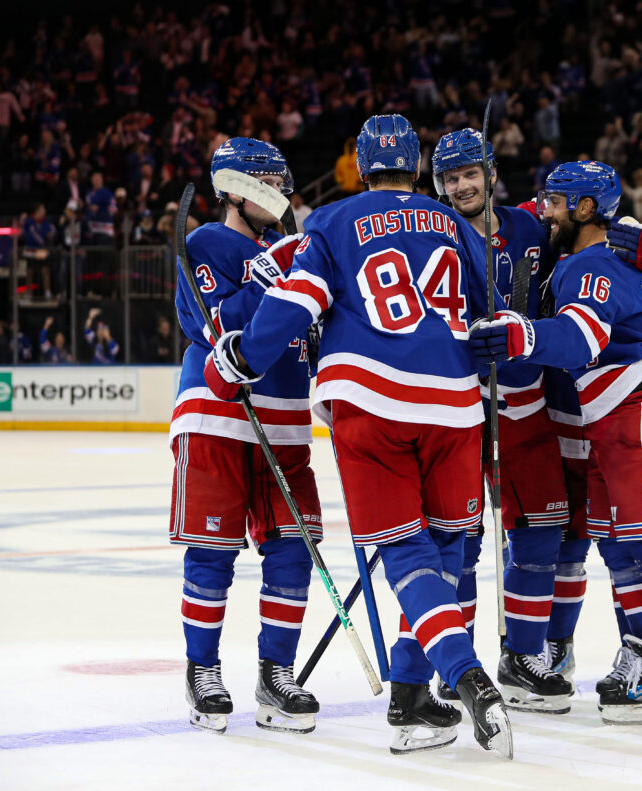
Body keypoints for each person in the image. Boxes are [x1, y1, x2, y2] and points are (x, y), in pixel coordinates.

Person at [203, 115, 513, 758]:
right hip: (456, 406)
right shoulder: (453, 223)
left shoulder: (331, 222)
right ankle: (409, 696)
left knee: (404, 554)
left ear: (363, 166)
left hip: (370, 401)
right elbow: (491, 305)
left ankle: (467, 677)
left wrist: (244, 358)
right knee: (449, 549)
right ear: (418, 168)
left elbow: (296, 304)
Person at [470, 161, 642, 737]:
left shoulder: (591, 264)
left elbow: (582, 338)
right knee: (618, 547)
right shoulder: (590, 259)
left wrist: (521, 335)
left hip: (639, 399)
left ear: (586, 208)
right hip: (609, 410)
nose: (543, 210)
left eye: (553, 202)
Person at [170, 138, 323, 737]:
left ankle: (276, 674)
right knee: (213, 552)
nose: (279, 196)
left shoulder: (287, 251)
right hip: (217, 414)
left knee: (294, 548)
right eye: (267, 185)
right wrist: (264, 278)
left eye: (283, 185)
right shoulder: (208, 242)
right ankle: (202, 670)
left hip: (284, 421)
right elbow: (212, 323)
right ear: (234, 190)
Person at [431, 128, 573, 713]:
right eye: (450, 178)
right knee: (460, 541)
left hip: (529, 402)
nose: (462, 186)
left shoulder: (532, 226)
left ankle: (522, 657)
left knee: (542, 532)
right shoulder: (436, 238)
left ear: (490, 173)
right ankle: (456, 669)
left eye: (470, 173)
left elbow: (582, 249)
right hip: (465, 409)